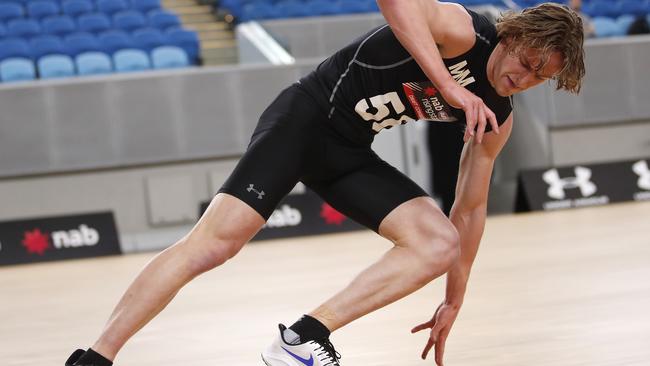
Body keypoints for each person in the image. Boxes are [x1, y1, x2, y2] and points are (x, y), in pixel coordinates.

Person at [65, 1, 585, 366]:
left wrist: (455, 298)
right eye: (527, 61)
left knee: (438, 243)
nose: (526, 77)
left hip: (348, 150)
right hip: (304, 119)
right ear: (512, 37)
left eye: (542, 77)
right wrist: (449, 83)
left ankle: (303, 337)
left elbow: (469, 210)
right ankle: (95, 357)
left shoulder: (497, 116)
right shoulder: (462, 30)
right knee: (214, 245)